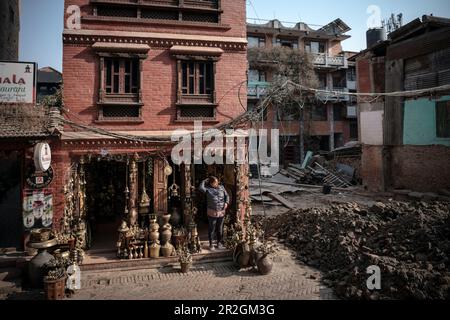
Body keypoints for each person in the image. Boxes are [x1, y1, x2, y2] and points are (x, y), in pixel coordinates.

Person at [199, 176, 230, 251]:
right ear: (211, 183)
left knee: (220, 229)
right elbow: (200, 188)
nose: (217, 183)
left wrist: (226, 202)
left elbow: (227, 196)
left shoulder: (222, 187)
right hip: (212, 212)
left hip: (221, 212)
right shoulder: (207, 190)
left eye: (217, 182)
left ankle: (219, 243)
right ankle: (211, 244)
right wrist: (204, 180)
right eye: (215, 182)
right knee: (212, 228)